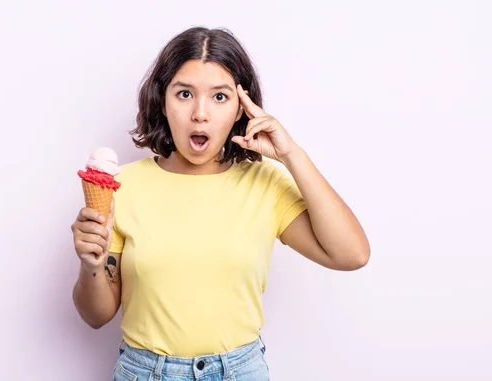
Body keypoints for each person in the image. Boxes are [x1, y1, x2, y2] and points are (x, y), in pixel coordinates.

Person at [70, 26, 370, 381]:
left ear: (242, 109)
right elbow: (96, 315)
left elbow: (352, 254)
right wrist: (91, 265)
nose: (200, 113)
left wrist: (291, 154)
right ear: (162, 102)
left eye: (220, 97)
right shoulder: (124, 186)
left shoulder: (265, 183)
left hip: (240, 371)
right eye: (184, 94)